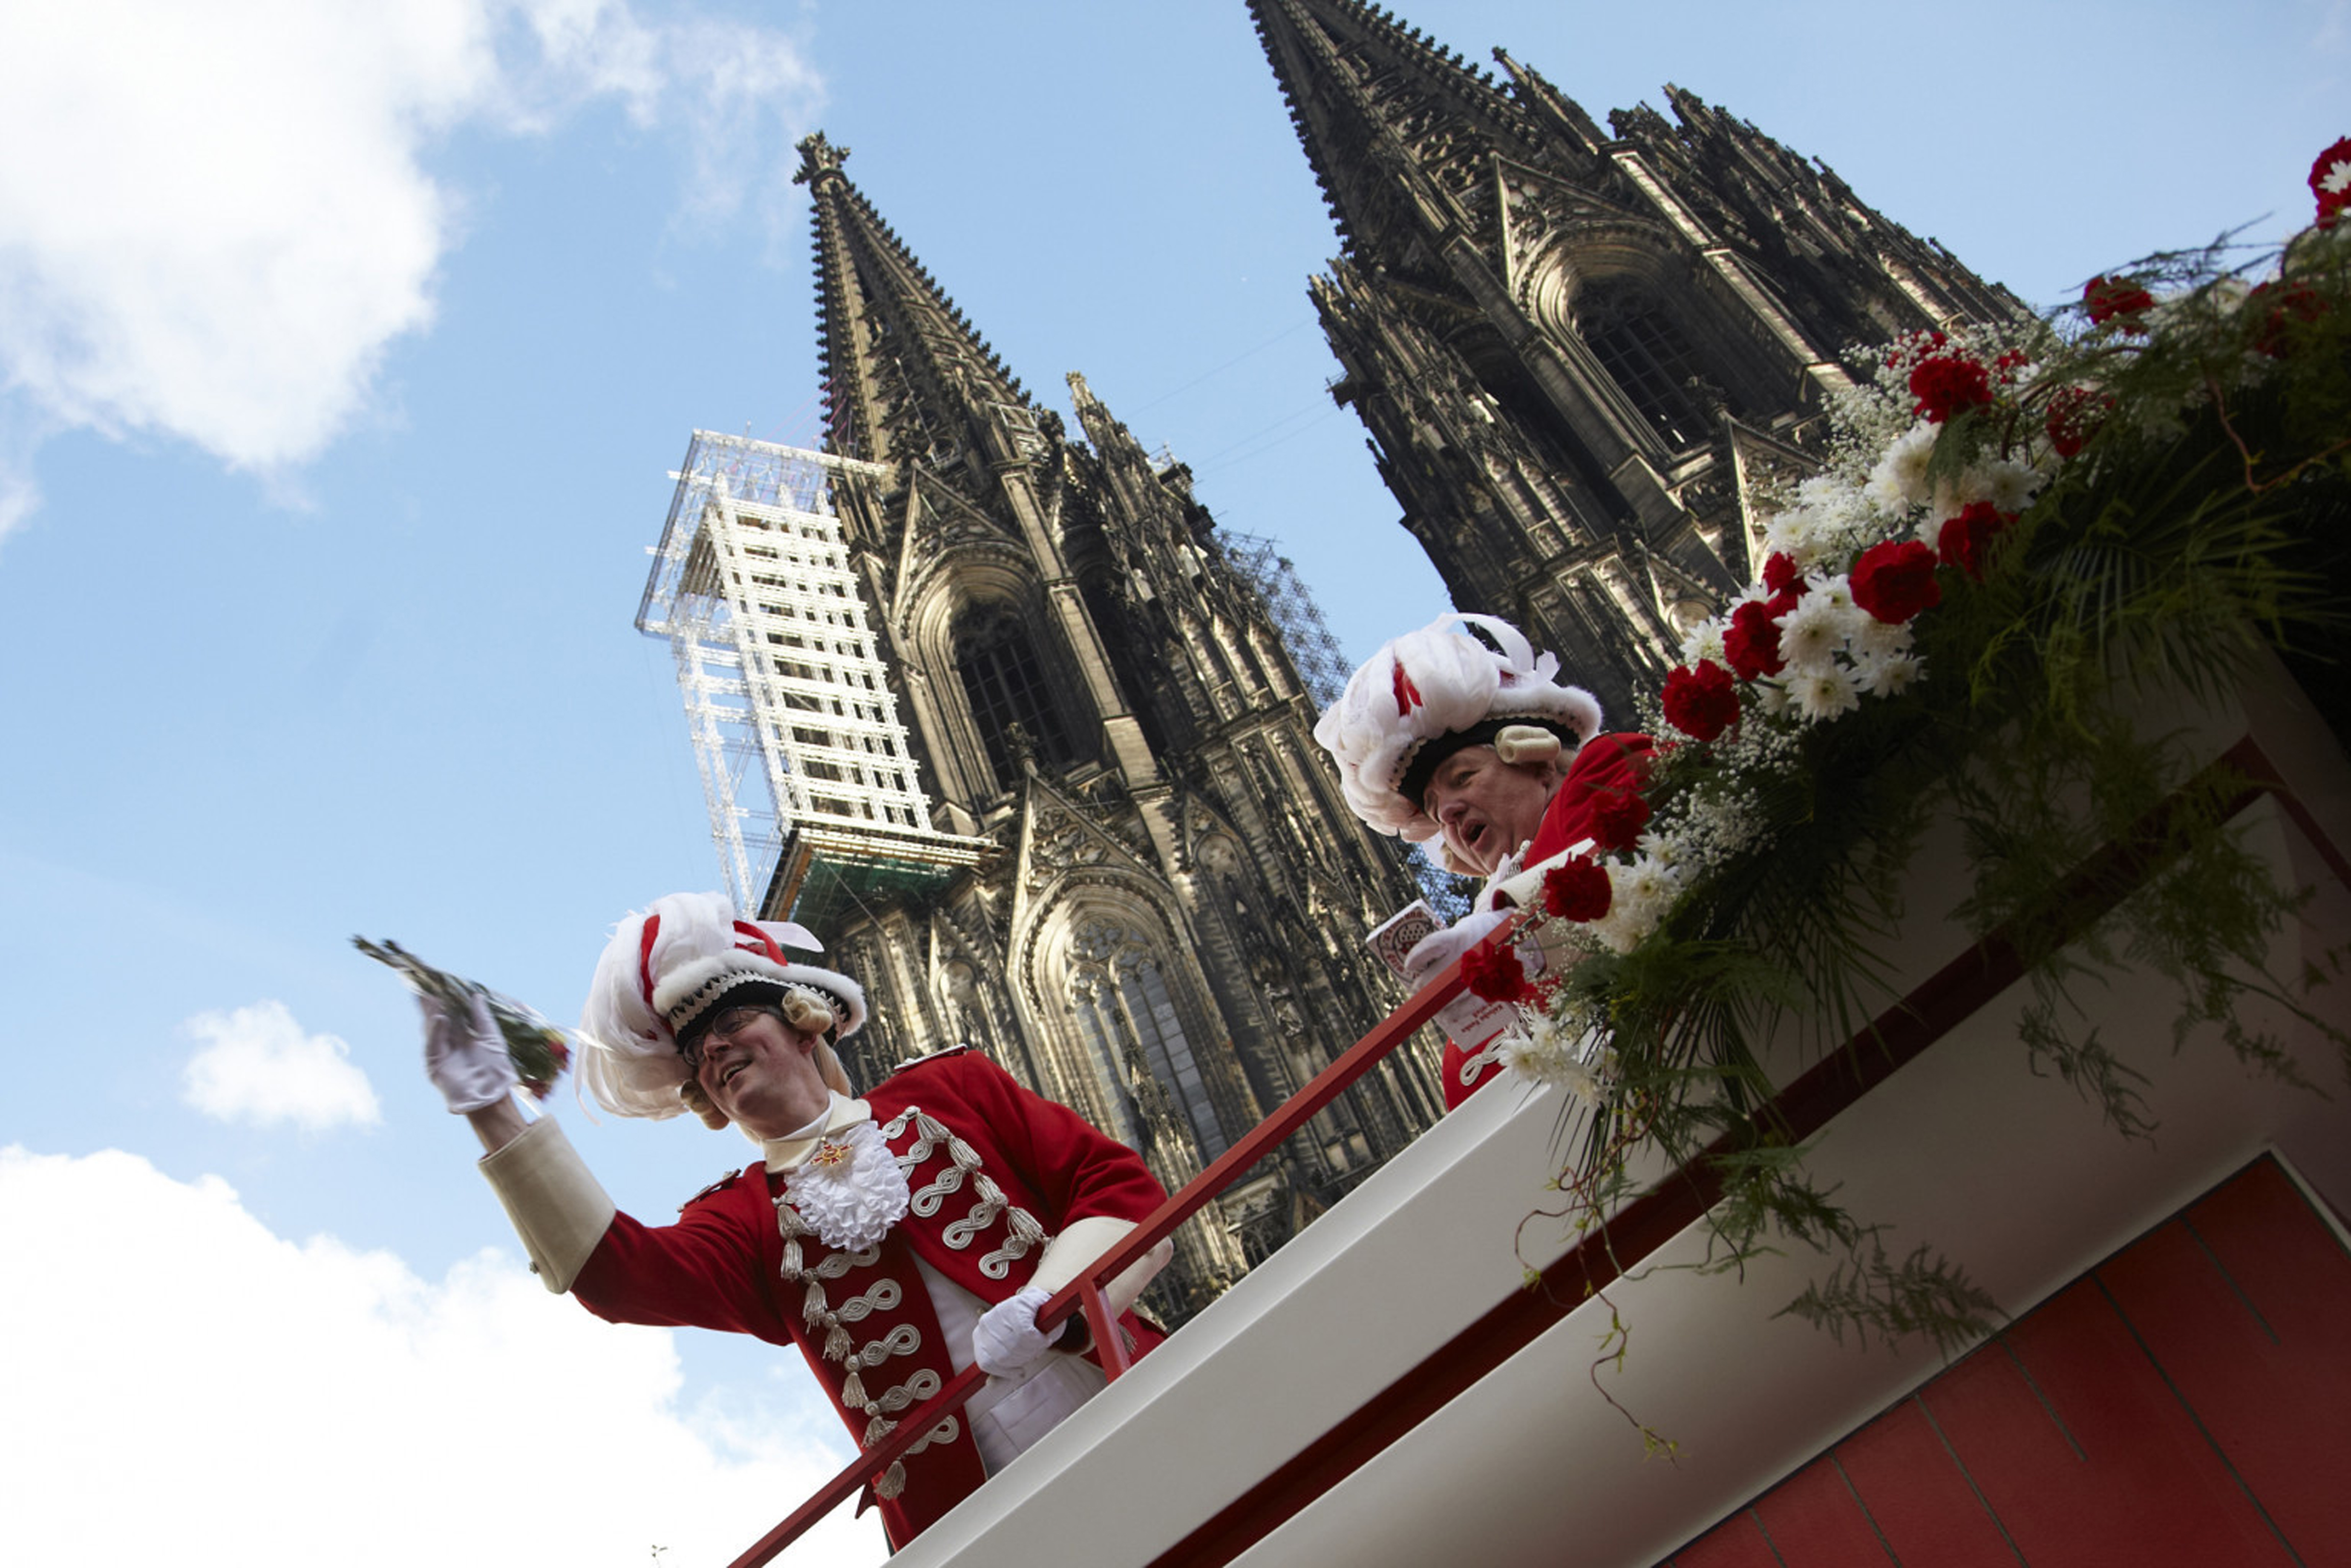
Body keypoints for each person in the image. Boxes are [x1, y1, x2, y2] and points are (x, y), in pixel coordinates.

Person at [421, 891, 1173, 1549]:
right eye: (693, 1050)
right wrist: (493, 1110)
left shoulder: (951, 1090)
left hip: (1105, 1381)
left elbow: (1120, 1191)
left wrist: (1048, 1301)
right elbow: (618, 1278)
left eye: (731, 1019)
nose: (710, 1047)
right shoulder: (744, 1219)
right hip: (968, 1504)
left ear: (805, 1027)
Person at [1313, 613, 1653, 1106]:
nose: (1447, 813)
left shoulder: (1608, 768)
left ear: (1535, 756)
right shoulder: (1476, 938)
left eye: (1462, 776)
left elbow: (1626, 859)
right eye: (1432, 809)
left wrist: (1514, 936)